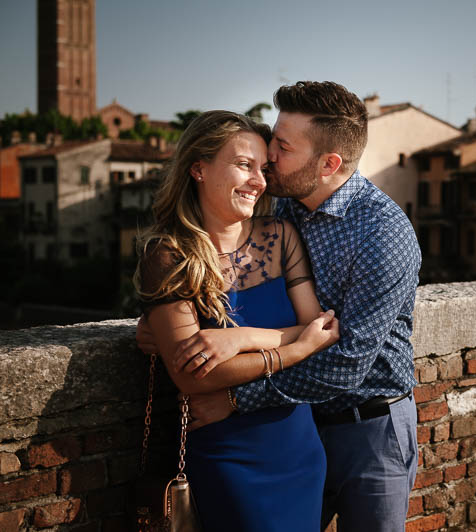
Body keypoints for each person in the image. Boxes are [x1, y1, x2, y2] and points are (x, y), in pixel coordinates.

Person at [141, 81, 422, 531]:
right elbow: (213, 265)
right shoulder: (283, 210)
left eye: (283, 147)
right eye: (274, 139)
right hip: (301, 422)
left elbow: (347, 360)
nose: (270, 157)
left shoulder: (382, 233)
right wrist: (161, 313)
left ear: (328, 164)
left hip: (368, 427)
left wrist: (237, 395)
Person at [134, 110, 340, 531]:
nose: (259, 181)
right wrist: (296, 349)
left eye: (263, 169)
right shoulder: (168, 255)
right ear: (199, 169)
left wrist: (240, 338)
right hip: (226, 455)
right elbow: (194, 376)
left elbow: (319, 327)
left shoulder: (281, 236)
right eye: (244, 165)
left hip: (298, 449)